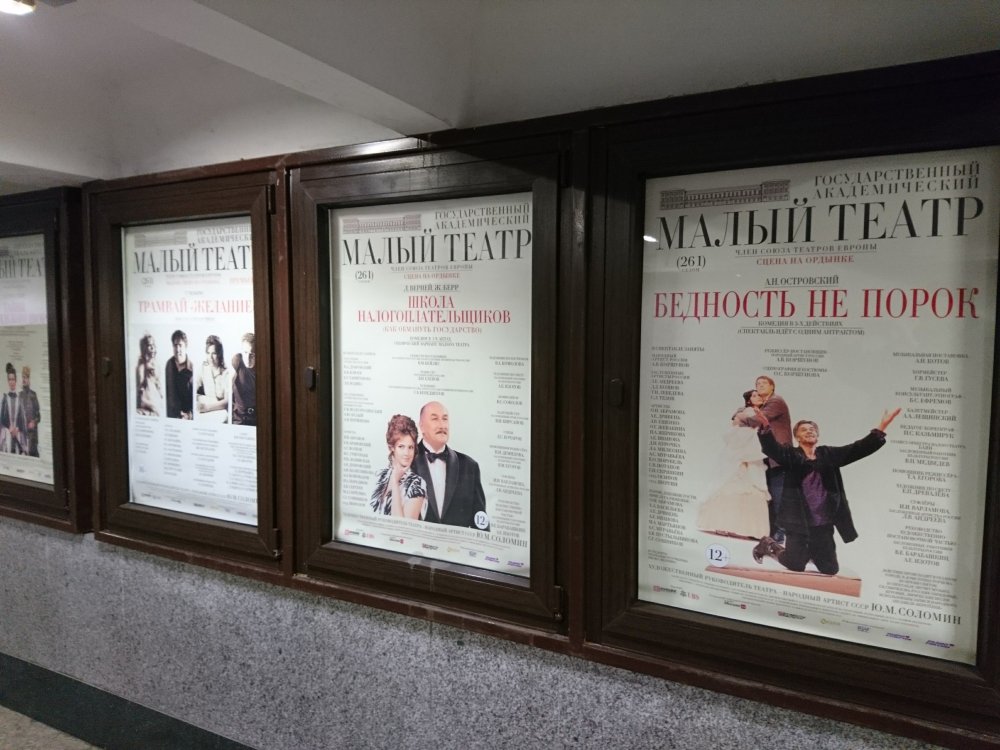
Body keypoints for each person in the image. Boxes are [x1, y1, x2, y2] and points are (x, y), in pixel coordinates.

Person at [751, 407, 901, 575]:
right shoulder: (791, 455)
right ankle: (769, 545)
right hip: (798, 522)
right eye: (804, 430)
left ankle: (810, 552)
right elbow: (772, 449)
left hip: (823, 523)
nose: (809, 431)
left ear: (817, 436)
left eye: (812, 429)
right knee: (795, 565)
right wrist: (765, 427)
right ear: (797, 437)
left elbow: (857, 449)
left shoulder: (828, 454)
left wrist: (882, 426)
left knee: (830, 569)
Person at [696, 390, 770, 539]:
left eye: (759, 395)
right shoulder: (746, 411)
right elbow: (740, 426)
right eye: (754, 395)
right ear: (748, 400)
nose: (758, 397)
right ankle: (724, 524)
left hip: (751, 452)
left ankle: (742, 527)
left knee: (750, 485)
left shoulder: (757, 412)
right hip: (741, 451)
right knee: (734, 483)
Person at [411, 401, 488, 530]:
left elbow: (480, 522)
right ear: (422, 426)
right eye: (435, 419)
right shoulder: (405, 462)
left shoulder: (470, 466)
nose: (442, 425)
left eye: (445, 419)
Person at [755, 375, 792, 542]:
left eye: (764, 383)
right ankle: (771, 531)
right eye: (758, 384)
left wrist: (740, 414)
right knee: (768, 495)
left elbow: (758, 418)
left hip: (779, 457)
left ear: (772, 386)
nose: (760, 385)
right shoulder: (764, 404)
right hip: (768, 457)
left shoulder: (776, 401)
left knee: (778, 495)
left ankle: (780, 532)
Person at [369, 414, 427, 519]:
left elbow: (403, 526)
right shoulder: (379, 476)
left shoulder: (417, 483)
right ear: (391, 447)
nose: (407, 453)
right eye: (401, 447)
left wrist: (395, 482)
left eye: (410, 447)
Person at [195, 335, 229, 424]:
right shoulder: (203, 368)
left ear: (219, 354)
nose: (210, 357)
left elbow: (227, 401)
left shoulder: (226, 373)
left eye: (214, 353)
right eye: (208, 353)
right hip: (207, 414)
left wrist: (206, 407)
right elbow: (192, 390)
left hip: (221, 414)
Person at [164, 329, 193, 419]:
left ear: (186, 346)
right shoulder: (169, 364)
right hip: (170, 417)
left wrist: (189, 415)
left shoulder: (192, 369)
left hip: (186, 418)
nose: (177, 349)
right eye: (175, 345)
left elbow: (196, 399)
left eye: (180, 345)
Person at [230, 332, 256, 427]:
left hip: (255, 420)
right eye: (245, 353)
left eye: (252, 354)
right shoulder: (238, 365)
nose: (248, 358)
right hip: (238, 420)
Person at [0, 363, 26, 454]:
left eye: (13, 379)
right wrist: (9, 427)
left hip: (17, 435)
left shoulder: (20, 399)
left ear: (16, 380)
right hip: (7, 434)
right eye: (9, 379)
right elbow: (2, 418)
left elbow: (22, 420)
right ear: (8, 381)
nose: (11, 382)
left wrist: (17, 429)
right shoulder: (4, 398)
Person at [136, 333, 162, 416]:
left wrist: (160, 393)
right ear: (145, 348)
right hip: (147, 398)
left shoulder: (156, 364)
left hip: (155, 397)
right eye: (149, 345)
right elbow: (140, 385)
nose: (152, 348)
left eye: (153, 345)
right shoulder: (142, 366)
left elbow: (158, 382)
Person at [20, 366, 40, 457]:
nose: (24, 379)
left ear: (29, 379)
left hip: (32, 436)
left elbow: (38, 416)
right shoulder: (20, 395)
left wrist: (34, 422)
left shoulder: (33, 395)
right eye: (23, 377)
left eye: (26, 377)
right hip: (23, 437)